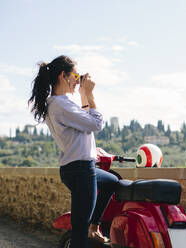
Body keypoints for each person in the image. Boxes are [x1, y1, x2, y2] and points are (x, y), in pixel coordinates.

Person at [28, 55, 118, 248]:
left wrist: (83, 93)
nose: (78, 80)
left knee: (112, 182)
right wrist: (91, 95)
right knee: (79, 230)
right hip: (81, 170)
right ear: (63, 75)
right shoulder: (62, 105)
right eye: (75, 75)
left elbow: (84, 121)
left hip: (76, 168)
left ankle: (94, 227)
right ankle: (90, 228)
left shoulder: (57, 103)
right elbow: (96, 123)